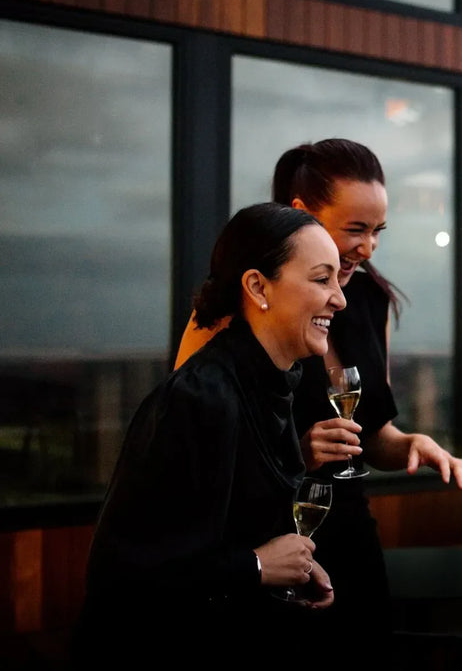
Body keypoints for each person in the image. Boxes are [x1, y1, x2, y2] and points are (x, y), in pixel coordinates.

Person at [173, 139, 462, 666]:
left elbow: (370, 435)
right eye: (354, 229)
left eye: (377, 231)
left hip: (350, 527)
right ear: (301, 215)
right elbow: (189, 439)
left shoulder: (370, 299)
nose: (368, 248)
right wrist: (297, 451)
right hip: (265, 542)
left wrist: (410, 443)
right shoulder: (237, 303)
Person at [73, 203, 344, 667]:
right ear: (258, 286)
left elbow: (231, 532)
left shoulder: (274, 382)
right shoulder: (199, 399)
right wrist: (258, 566)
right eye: (322, 279)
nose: (340, 298)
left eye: (338, 280)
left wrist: (288, 565)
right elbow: (125, 570)